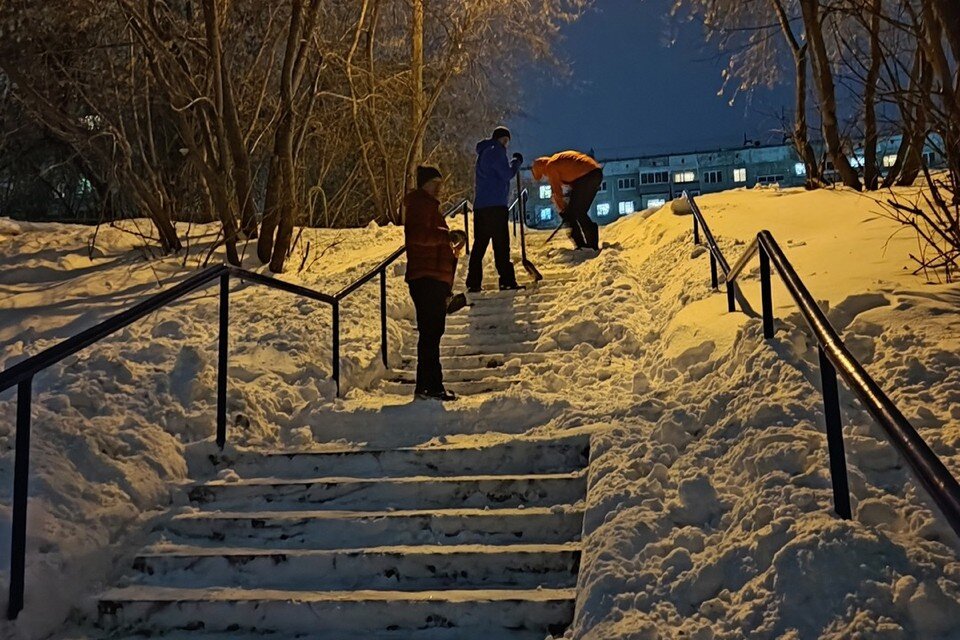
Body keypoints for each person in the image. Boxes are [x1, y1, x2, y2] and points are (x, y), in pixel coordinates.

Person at [404, 165, 459, 401]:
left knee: (432, 332)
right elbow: (417, 236)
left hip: (433, 277)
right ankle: (430, 386)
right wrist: (446, 236)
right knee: (431, 332)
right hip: (426, 276)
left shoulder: (426, 206)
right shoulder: (421, 205)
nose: (439, 187)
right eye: (435, 182)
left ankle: (427, 385)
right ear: (425, 184)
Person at [466, 126, 524, 293]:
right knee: (501, 244)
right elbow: (506, 174)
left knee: (480, 244)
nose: (506, 144)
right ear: (498, 138)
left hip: (481, 206)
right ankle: (506, 280)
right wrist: (516, 162)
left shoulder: (484, 152)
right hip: (496, 206)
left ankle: (473, 282)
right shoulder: (496, 151)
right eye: (504, 140)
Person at [532, 151, 603, 251]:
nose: (545, 177)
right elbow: (572, 184)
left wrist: (563, 211)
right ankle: (590, 244)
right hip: (596, 173)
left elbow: (557, 192)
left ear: (541, 169)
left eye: (542, 175)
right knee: (579, 212)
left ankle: (583, 245)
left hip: (587, 177)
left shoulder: (550, 166)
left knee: (574, 213)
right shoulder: (558, 161)